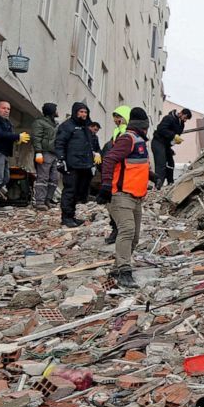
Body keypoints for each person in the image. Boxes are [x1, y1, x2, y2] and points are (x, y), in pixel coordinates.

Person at [97, 107, 151, 288]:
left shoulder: (139, 142)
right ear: (143, 127)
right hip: (120, 195)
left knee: (134, 237)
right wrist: (105, 185)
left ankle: (117, 267)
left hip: (136, 197)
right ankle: (123, 271)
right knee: (126, 230)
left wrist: (152, 176)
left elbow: (133, 166)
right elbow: (109, 159)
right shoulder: (128, 139)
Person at [0, 100, 29, 210]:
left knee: (5, 178)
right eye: (3, 108)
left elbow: (7, 136)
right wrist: (16, 137)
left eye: (8, 109)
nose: (6, 111)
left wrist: (15, 140)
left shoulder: (7, 122)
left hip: (3, 153)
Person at [54, 102, 95, 228]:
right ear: (75, 112)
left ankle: (71, 215)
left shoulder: (86, 128)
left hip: (84, 165)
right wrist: (61, 159)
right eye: (81, 112)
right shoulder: (67, 126)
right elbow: (60, 143)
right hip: (71, 164)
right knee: (69, 191)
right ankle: (66, 217)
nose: (83, 114)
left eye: (85, 112)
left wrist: (92, 161)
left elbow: (88, 145)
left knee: (79, 191)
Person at [103, 106, 131, 245]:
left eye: (119, 117)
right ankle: (116, 230)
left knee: (121, 206)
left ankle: (120, 233)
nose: (116, 120)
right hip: (116, 174)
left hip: (125, 176)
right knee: (113, 204)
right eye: (114, 117)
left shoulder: (127, 134)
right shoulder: (117, 132)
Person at [152, 108, 190, 188]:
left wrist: (175, 141)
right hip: (158, 142)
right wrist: (173, 136)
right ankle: (158, 186)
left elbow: (175, 136)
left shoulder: (181, 124)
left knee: (170, 163)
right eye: (185, 117)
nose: (185, 120)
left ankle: (170, 184)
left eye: (186, 119)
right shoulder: (169, 118)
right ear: (181, 113)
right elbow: (161, 129)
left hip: (166, 145)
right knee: (161, 164)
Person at [30, 103, 59, 210]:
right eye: (56, 109)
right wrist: (38, 151)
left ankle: (47, 200)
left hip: (53, 154)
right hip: (44, 153)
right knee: (43, 178)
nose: (57, 111)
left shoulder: (54, 124)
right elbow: (36, 138)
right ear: (51, 111)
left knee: (54, 179)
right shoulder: (39, 123)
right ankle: (40, 201)